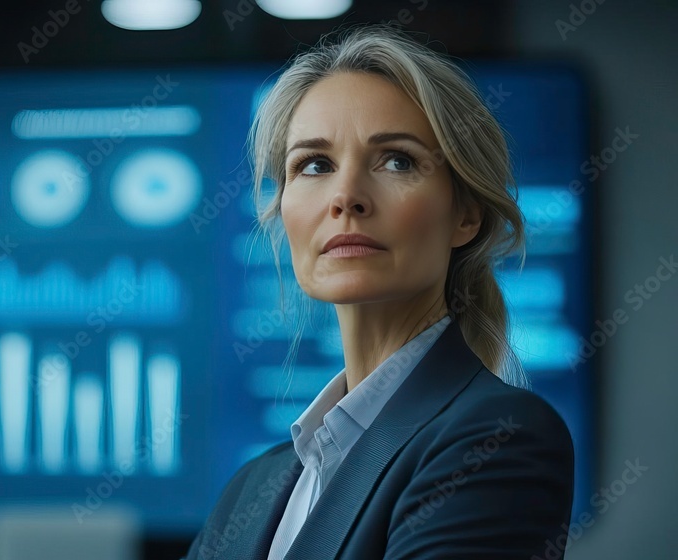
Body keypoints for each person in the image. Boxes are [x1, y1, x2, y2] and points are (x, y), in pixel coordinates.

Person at [183, 23, 574, 560]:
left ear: (466, 214)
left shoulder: (500, 438)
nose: (346, 196)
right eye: (314, 165)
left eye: (397, 160)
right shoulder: (250, 489)